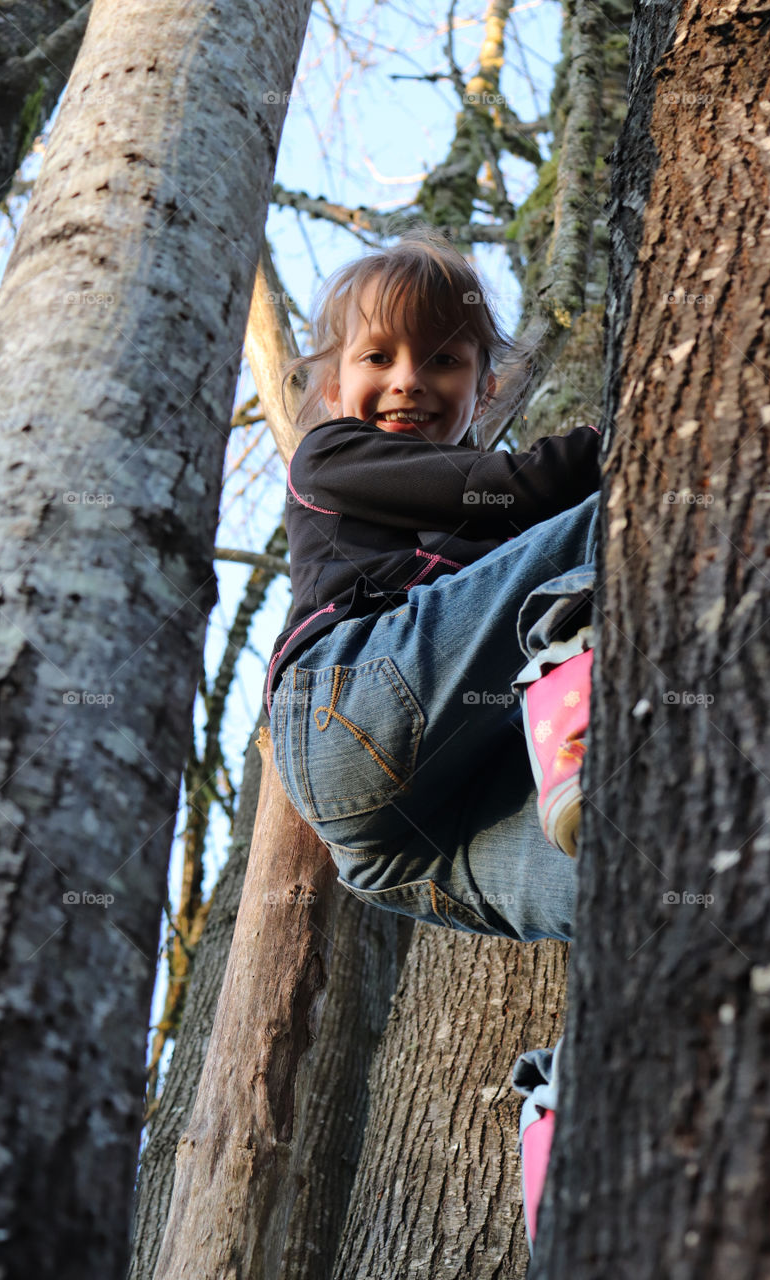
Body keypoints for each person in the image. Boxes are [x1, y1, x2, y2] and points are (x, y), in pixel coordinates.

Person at [265, 229, 600, 945]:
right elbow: (522, 485)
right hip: (347, 703)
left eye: (443, 360)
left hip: (404, 844)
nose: (408, 379)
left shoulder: (496, 536)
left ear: (484, 392)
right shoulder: (330, 453)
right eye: (377, 357)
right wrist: (637, 431)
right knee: (620, 517)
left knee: (644, 883)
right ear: (333, 387)